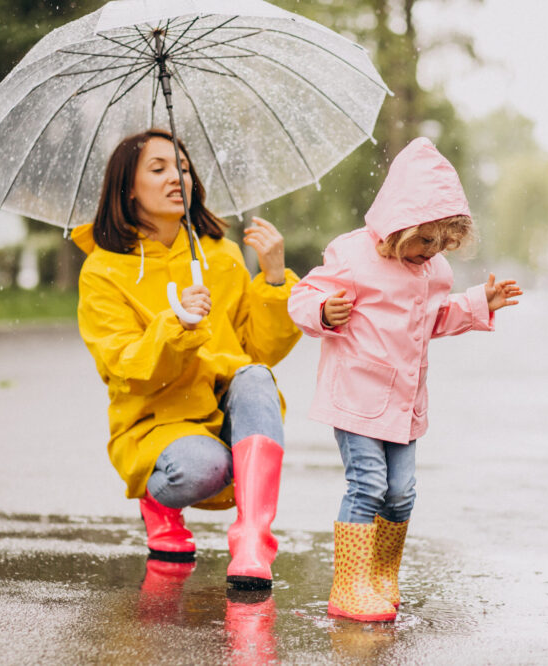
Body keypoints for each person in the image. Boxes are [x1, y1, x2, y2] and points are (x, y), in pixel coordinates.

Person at [287, 137, 522, 621]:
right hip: (356, 396)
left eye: (441, 243)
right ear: (399, 223)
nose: (430, 251)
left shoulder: (433, 271)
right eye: (423, 239)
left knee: (401, 492)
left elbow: (434, 319)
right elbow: (302, 296)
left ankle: (380, 574)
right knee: (367, 484)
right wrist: (323, 311)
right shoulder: (351, 255)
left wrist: (480, 302)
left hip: (404, 402)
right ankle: (348, 585)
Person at [73, 128, 302, 590]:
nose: (177, 177)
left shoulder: (221, 254)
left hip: (221, 413)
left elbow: (257, 351)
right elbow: (123, 366)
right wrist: (176, 325)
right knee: (207, 468)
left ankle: (254, 540)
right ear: (128, 188)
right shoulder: (103, 270)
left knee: (256, 376)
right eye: (158, 169)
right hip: (157, 422)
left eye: (182, 167)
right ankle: (159, 502)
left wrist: (275, 280)